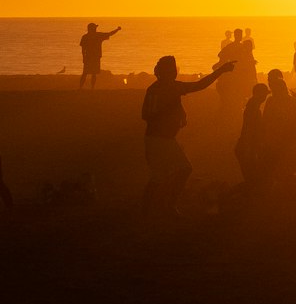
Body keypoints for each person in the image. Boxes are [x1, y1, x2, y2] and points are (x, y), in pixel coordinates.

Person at [141, 55, 234, 218]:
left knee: (162, 174)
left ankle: (153, 206)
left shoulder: (159, 88)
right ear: (169, 72)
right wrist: (221, 71)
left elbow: (152, 112)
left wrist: (177, 114)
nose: (175, 72)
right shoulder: (165, 88)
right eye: (173, 69)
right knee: (178, 170)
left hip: (161, 138)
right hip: (159, 139)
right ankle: (162, 206)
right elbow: (199, 85)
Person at [234, 82, 270, 186]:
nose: (265, 97)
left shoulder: (252, 106)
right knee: (252, 176)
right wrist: (249, 146)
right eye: (264, 94)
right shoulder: (253, 109)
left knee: (251, 175)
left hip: (247, 145)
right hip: (248, 145)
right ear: (258, 94)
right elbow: (249, 128)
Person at [79, 22, 122, 89]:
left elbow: (83, 49)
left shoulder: (85, 37)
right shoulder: (97, 36)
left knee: (86, 73)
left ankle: (82, 87)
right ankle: (91, 88)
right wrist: (117, 29)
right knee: (92, 73)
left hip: (89, 57)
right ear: (92, 29)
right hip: (94, 57)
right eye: (95, 28)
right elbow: (110, 34)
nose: (96, 29)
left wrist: (84, 58)